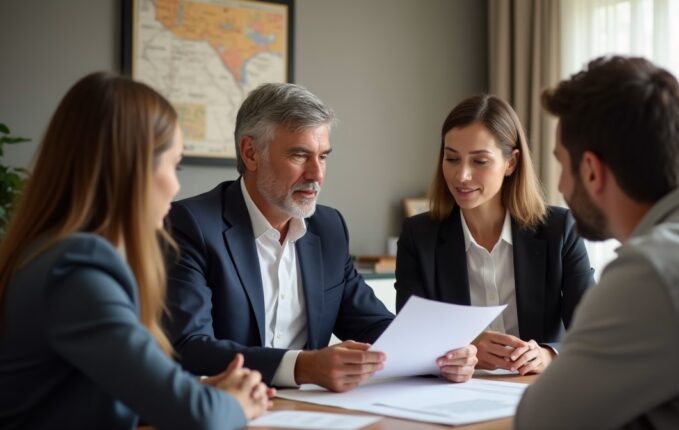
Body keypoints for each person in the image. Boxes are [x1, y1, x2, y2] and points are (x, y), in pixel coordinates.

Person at [164, 82, 478, 393]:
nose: (316, 174)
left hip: (313, 412)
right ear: (250, 153)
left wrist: (440, 354)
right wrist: (304, 367)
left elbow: (371, 324)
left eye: (323, 156)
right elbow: (191, 347)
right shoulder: (191, 225)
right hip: (228, 410)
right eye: (300, 155)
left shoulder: (328, 228)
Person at [0, 73, 272, 429]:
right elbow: (199, 419)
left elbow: (101, 392)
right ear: (133, 168)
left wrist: (205, 392)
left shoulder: (47, 253)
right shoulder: (76, 269)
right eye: (175, 165)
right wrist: (232, 403)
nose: (176, 186)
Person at [515, 56, 679, 428]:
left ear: (591, 171)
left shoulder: (654, 272)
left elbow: (539, 422)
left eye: (561, 166)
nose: (560, 187)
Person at [395, 95, 594, 376]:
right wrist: (465, 346)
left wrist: (549, 354)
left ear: (511, 163)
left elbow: (591, 330)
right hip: (454, 394)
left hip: (537, 388)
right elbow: (410, 336)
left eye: (479, 161)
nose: (461, 175)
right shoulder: (418, 236)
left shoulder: (559, 229)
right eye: (452, 158)